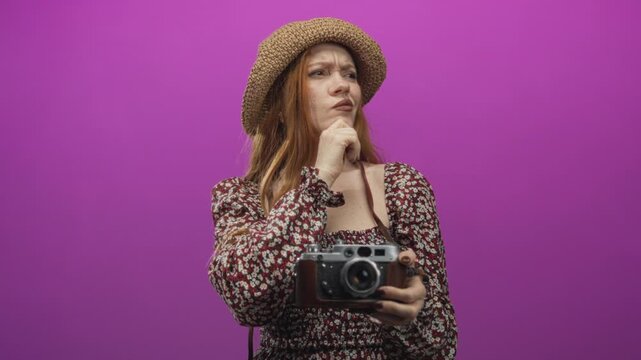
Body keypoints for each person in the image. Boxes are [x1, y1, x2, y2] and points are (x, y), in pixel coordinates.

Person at [208, 17, 458, 359]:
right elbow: (248, 300)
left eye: (350, 74)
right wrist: (320, 178)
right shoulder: (244, 197)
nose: (343, 86)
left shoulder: (401, 186)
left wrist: (414, 313)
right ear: (281, 104)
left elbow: (441, 347)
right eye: (319, 73)